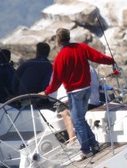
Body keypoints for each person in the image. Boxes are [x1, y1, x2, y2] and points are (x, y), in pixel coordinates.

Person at [42, 28, 115, 157]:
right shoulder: (81, 47)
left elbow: (56, 80)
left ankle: (85, 150)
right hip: (86, 89)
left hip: (74, 92)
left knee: (77, 120)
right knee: (80, 118)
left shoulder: (60, 57)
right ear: (68, 37)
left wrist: (46, 92)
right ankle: (94, 144)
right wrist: (111, 60)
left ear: (58, 40)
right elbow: (98, 57)